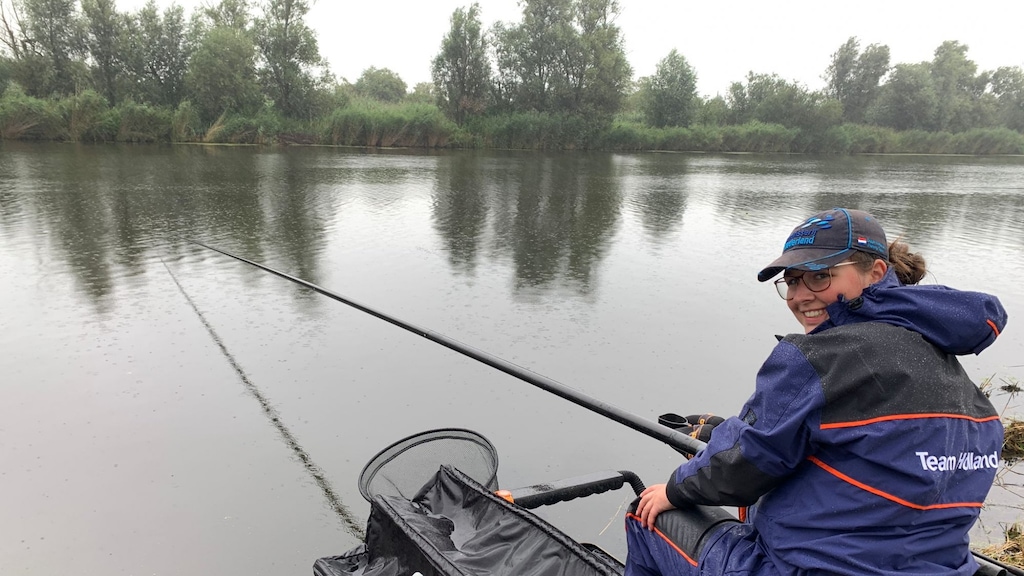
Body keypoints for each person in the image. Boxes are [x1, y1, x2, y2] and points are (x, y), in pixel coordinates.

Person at [624, 208, 1007, 576]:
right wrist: (727, 433)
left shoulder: (819, 357)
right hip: (942, 568)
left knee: (646, 515)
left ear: (874, 273)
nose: (800, 295)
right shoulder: (955, 377)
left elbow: (744, 468)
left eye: (820, 276)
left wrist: (675, 489)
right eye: (792, 281)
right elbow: (864, 455)